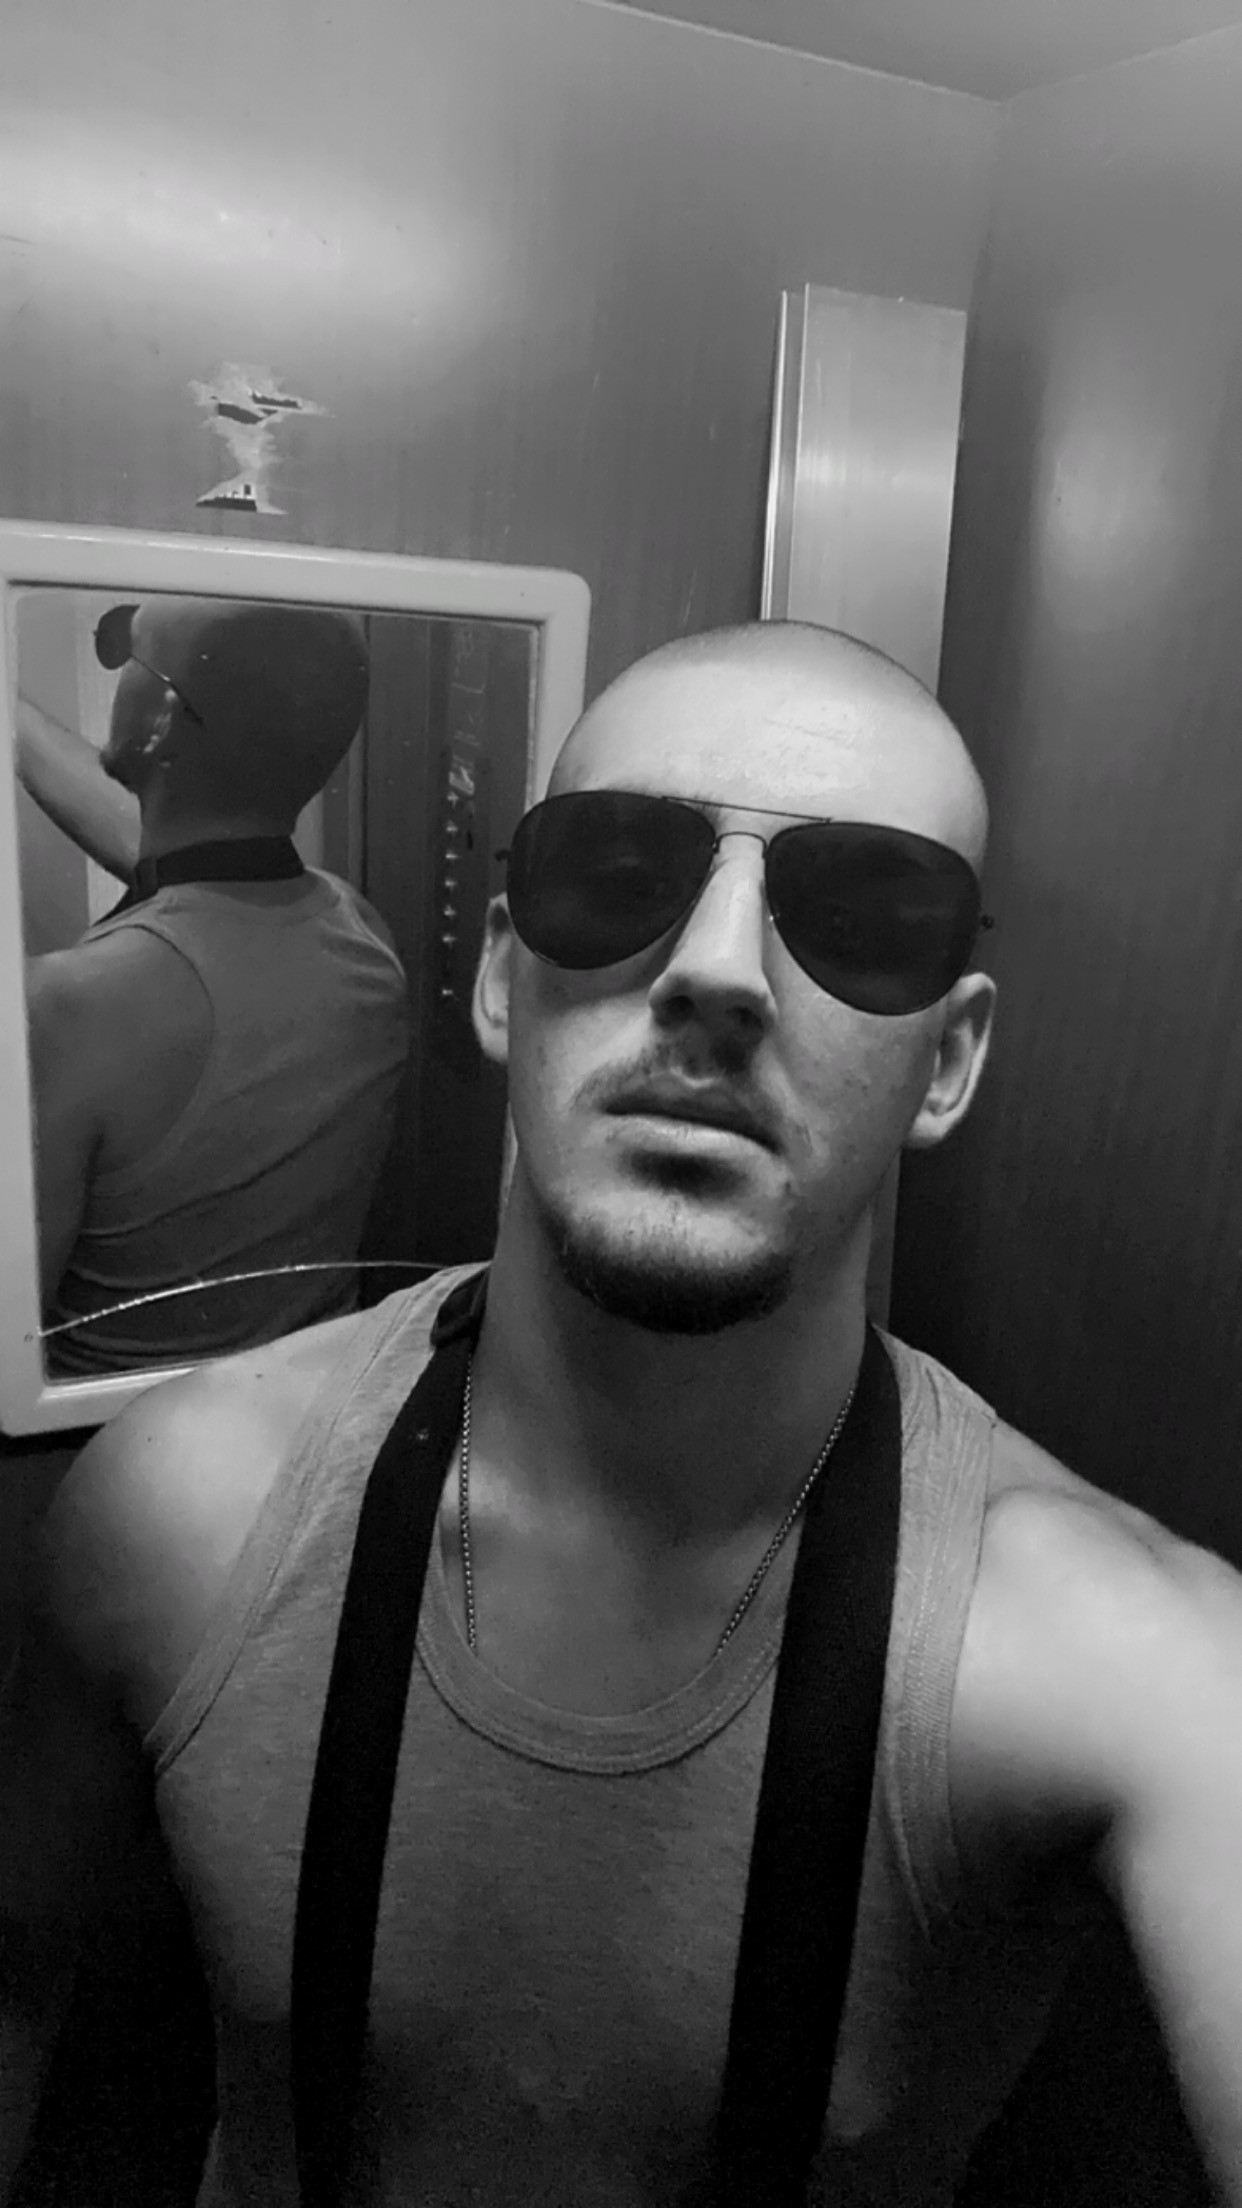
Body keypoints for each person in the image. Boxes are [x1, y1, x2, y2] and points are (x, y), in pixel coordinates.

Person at [4, 619, 1242, 2206]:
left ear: (945, 1062)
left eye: (863, 913)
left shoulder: (1120, 1660)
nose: (716, 971)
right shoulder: (178, 1509)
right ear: (500, 978)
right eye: (618, 870)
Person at [17, 597, 412, 1373]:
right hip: (306, 1398)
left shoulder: (71, 1004)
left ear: (159, 720)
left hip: (109, 1427)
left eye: (129, 655)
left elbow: (9, 1318)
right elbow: (182, 866)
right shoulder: (361, 933)